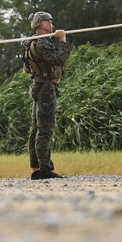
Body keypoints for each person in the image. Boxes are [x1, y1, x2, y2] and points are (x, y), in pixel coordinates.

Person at [22, 11, 72, 180]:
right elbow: (59, 60)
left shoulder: (31, 43)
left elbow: (27, 68)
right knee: (44, 131)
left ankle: (35, 169)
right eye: (49, 22)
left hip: (39, 86)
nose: (52, 24)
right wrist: (63, 40)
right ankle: (45, 170)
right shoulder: (42, 43)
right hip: (46, 89)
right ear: (41, 23)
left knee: (36, 130)